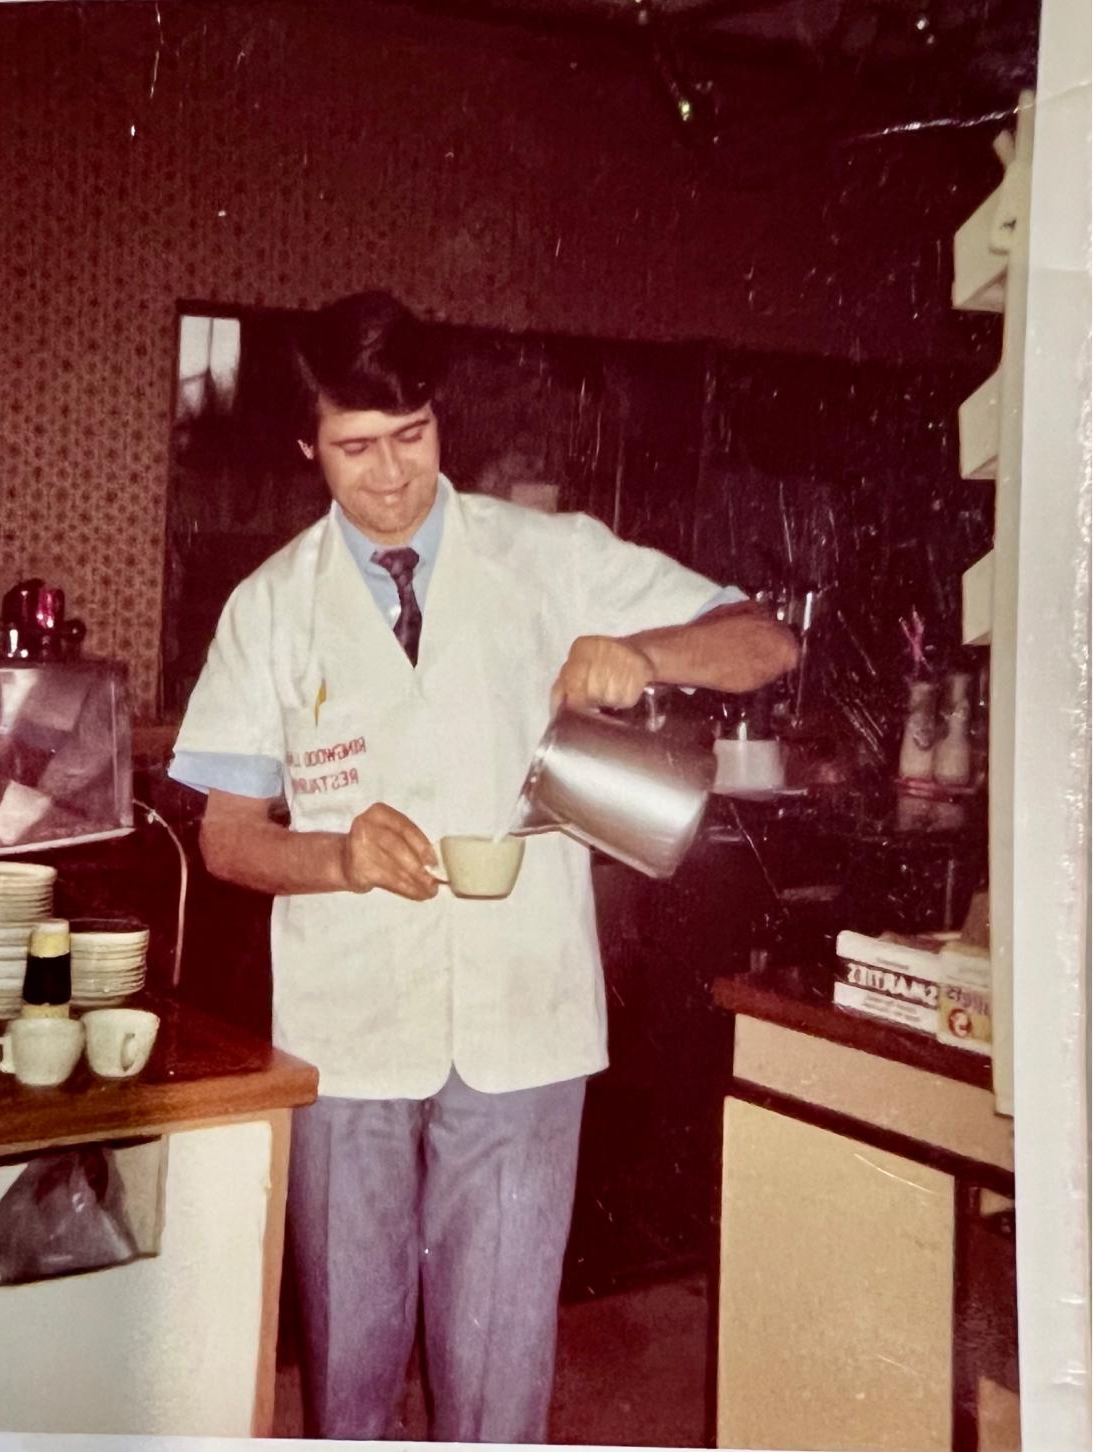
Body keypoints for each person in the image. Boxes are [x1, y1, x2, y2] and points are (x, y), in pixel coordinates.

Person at [169, 291, 798, 1443]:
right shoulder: (269, 608)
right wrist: (339, 854)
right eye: (356, 449)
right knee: (346, 1359)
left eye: (411, 437)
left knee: (498, 1364)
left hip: (524, 1021)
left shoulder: (548, 556)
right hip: (346, 1029)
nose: (392, 476)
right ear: (306, 445)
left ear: (437, 420)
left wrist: (641, 649)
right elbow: (225, 836)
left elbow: (765, 640)